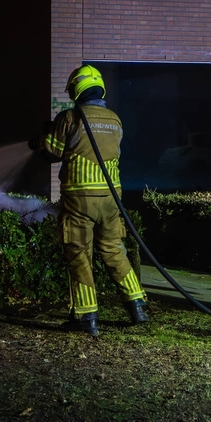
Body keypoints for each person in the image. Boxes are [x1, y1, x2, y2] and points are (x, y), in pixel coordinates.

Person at [28, 64, 148, 336]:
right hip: (111, 198)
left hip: (80, 199)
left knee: (79, 254)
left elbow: (54, 153)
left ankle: (86, 317)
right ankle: (137, 306)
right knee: (114, 250)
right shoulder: (115, 119)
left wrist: (42, 142)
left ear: (76, 89)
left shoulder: (70, 117)